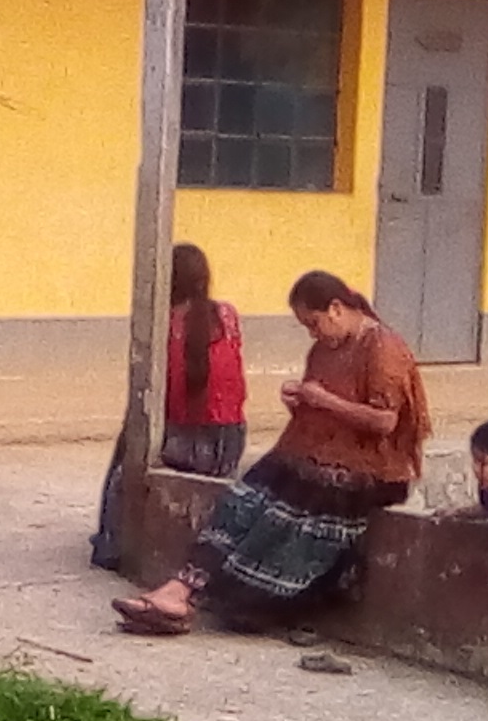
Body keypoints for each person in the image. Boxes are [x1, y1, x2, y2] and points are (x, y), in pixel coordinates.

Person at [113, 271, 427, 635]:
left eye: (314, 323)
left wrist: (323, 400)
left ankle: (206, 597)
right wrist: (302, 405)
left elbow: (385, 421)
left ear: (337, 309)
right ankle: (178, 590)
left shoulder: (383, 349)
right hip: (313, 456)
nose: (314, 334)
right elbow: (325, 416)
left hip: (372, 473)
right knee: (243, 499)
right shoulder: (323, 351)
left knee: (281, 518)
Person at [90, 244, 251, 569]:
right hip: (229, 440)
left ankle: (111, 540)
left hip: (184, 442)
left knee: (130, 440)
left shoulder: (162, 324)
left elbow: (164, 396)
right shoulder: (228, 316)